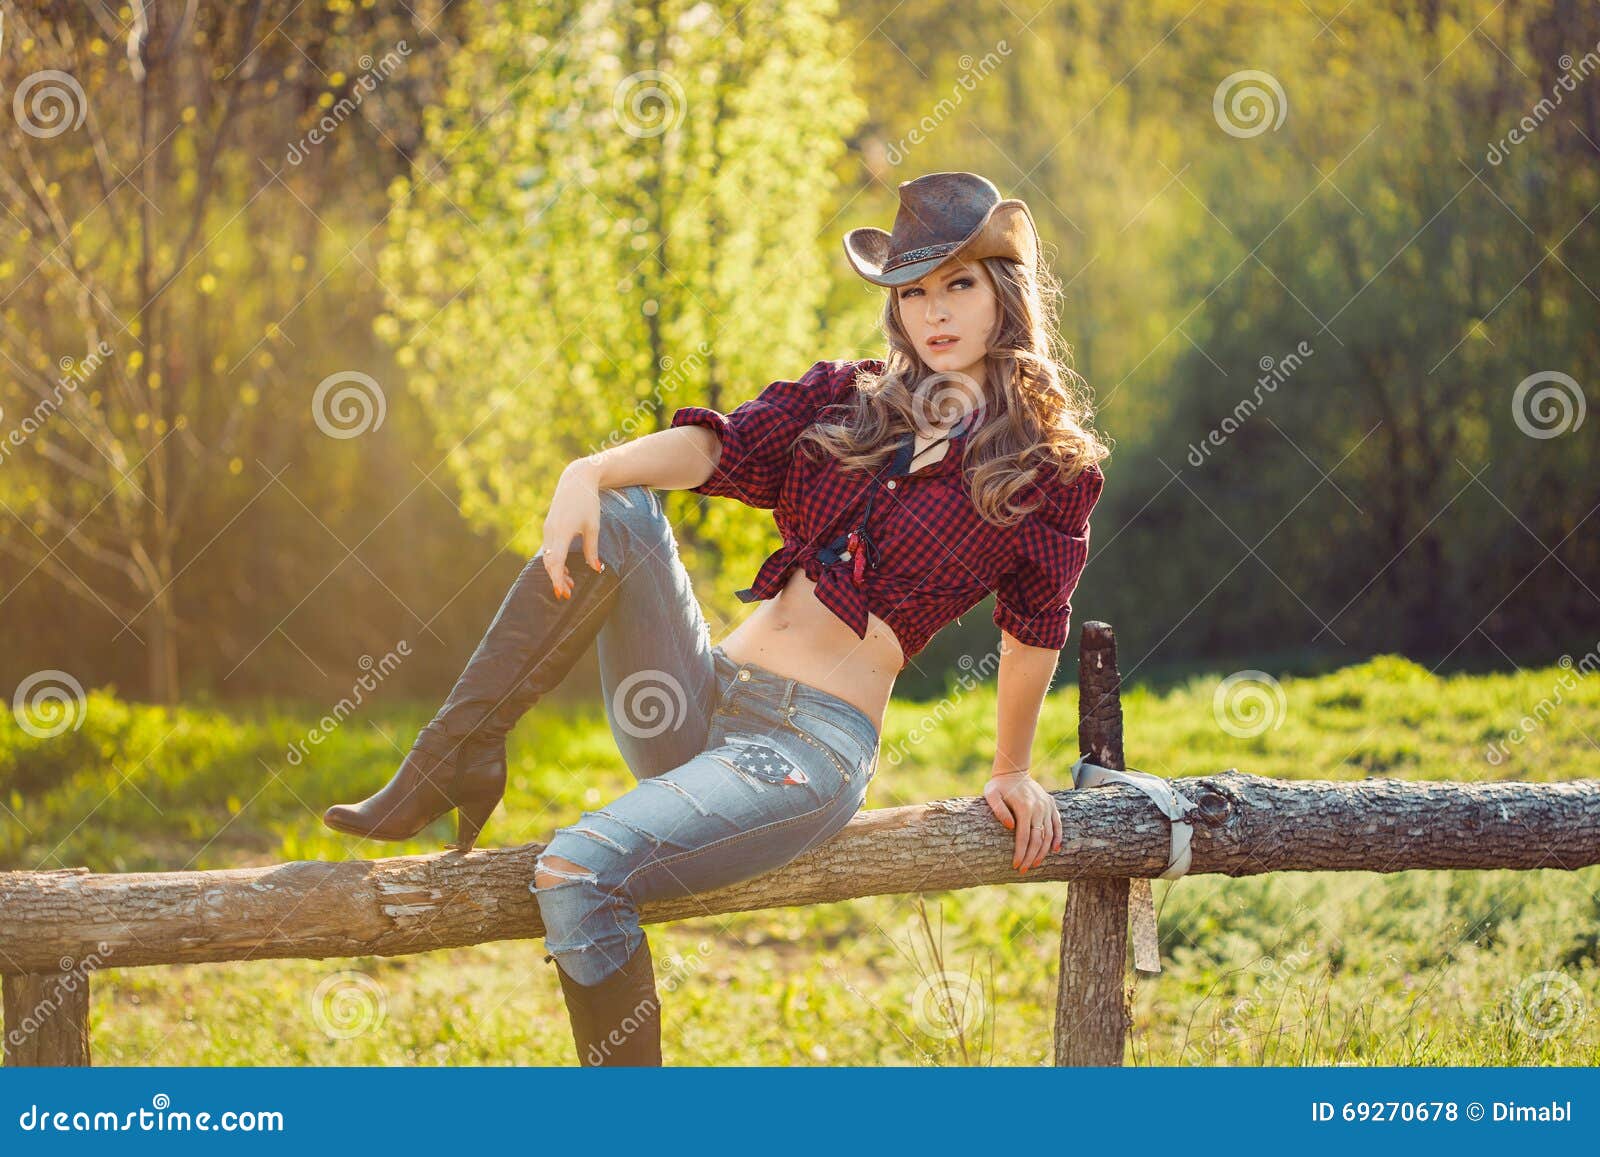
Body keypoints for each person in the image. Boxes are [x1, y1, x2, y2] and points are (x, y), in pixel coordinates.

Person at [321, 171, 1109, 1066]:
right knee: (621, 509)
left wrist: (1012, 768)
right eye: (915, 290)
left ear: (1003, 291)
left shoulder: (1049, 465)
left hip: (802, 754)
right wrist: (588, 470)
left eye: (959, 284)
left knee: (577, 870)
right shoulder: (847, 397)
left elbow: (1034, 628)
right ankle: (456, 751)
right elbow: (719, 448)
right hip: (695, 700)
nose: (934, 312)